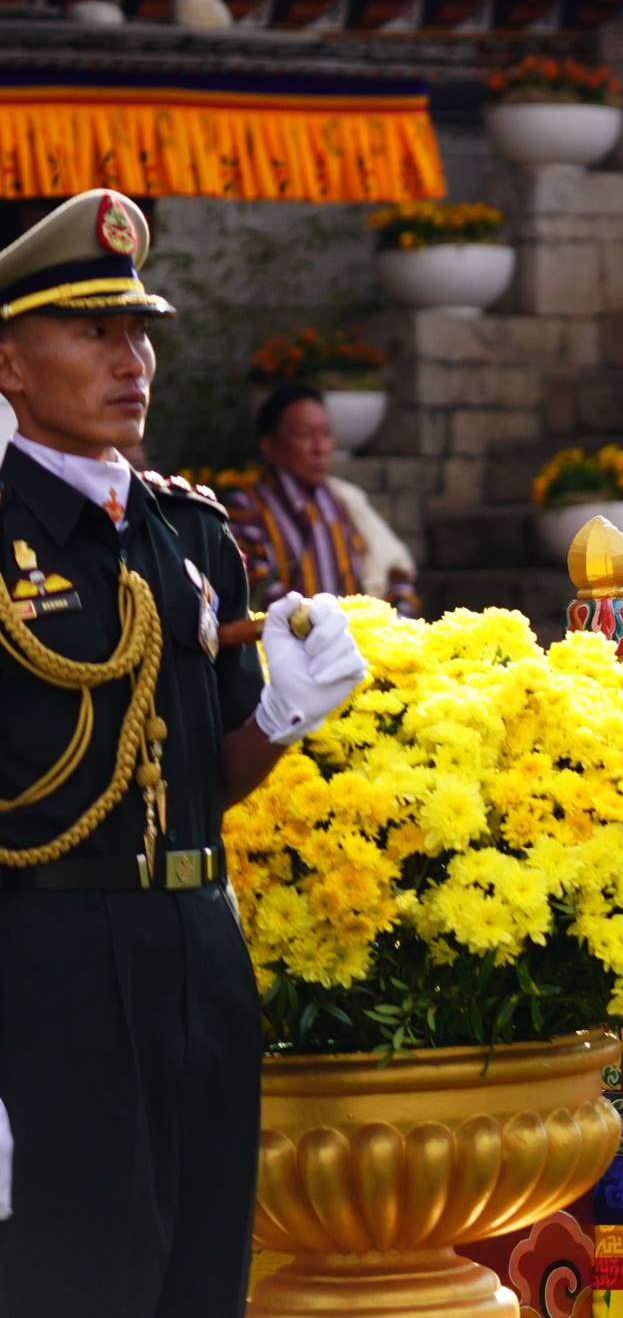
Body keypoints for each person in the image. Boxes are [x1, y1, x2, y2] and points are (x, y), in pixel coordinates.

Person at [0, 188, 371, 1310]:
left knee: (200, 1275)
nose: (132, 359)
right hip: (46, 961)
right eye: (93, 331)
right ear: (9, 364)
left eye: (140, 330)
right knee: (78, 1282)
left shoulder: (193, 531)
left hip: (198, 946)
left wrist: (283, 717)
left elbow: (209, 767)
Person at [225, 384, 419, 613]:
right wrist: (324, 628)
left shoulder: (345, 500)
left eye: (326, 434)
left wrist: (396, 615)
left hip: (358, 642)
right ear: (270, 446)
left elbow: (393, 570)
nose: (320, 448)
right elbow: (256, 592)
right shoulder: (245, 508)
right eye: (305, 435)